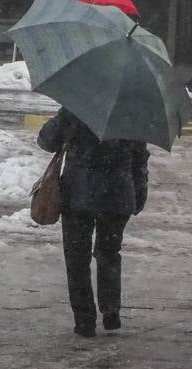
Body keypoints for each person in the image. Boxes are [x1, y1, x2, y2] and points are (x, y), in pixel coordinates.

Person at [37, 109, 149, 338]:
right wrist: (139, 192)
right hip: (117, 194)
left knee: (77, 258)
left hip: (79, 193)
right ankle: (110, 311)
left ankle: (84, 319)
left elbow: (46, 140)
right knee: (109, 252)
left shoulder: (77, 105)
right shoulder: (131, 111)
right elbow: (140, 158)